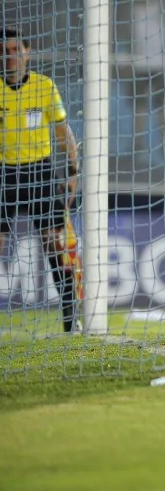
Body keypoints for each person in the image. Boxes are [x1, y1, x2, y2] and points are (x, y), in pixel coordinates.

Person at [0, 28, 82, 332]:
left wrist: (72, 173)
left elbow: (63, 132)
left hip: (40, 173)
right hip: (4, 173)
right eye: (4, 51)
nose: (9, 57)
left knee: (52, 243)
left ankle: (68, 304)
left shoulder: (44, 87)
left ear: (27, 52)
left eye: (14, 50)